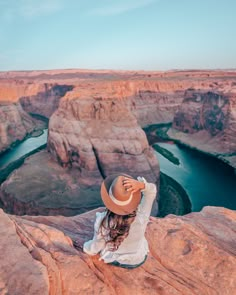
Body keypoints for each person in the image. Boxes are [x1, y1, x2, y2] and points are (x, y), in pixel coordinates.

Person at [83, 173, 157, 269]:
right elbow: (151, 191)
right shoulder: (142, 214)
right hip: (137, 259)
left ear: (109, 200)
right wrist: (141, 185)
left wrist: (86, 247)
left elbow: (97, 246)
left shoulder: (103, 221)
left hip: (115, 260)